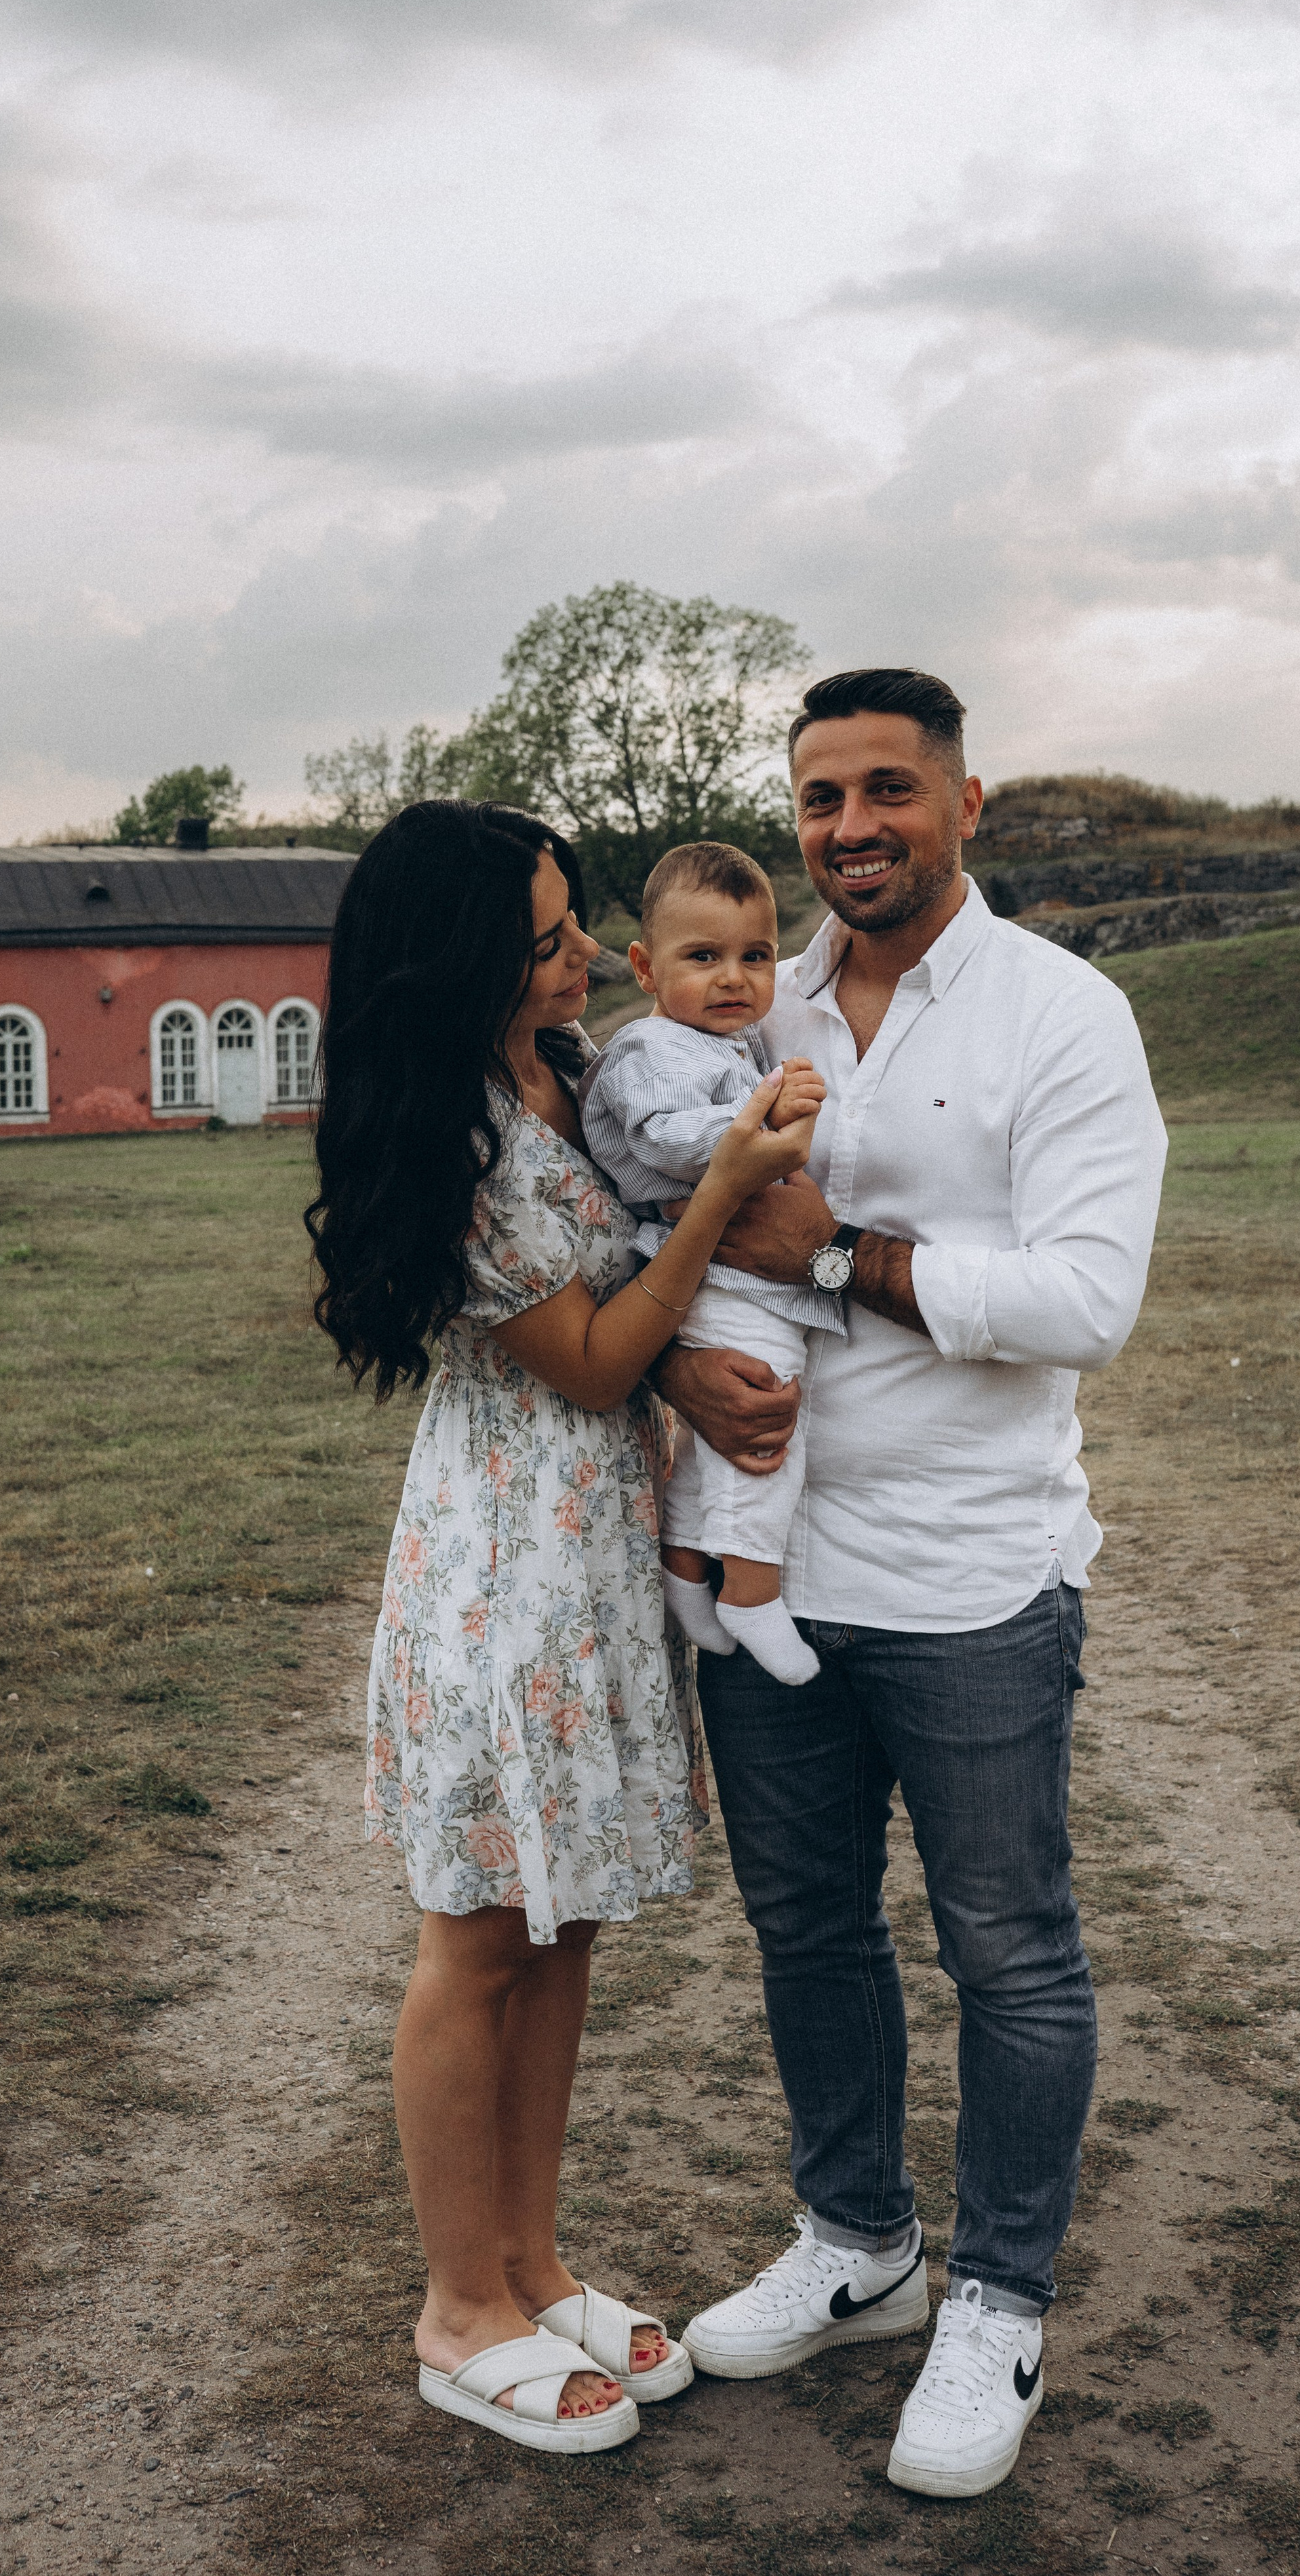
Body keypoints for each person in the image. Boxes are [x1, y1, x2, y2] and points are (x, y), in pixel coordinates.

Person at [663, 670, 1168, 2498]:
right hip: (765, 1559)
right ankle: (860, 2244)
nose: (850, 828)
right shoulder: (743, 994)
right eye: (820, 798)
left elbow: (1087, 1299)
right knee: (807, 1930)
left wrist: (844, 1254)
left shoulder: (1064, 1015)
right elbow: (656, 1224)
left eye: (889, 790)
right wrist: (664, 1361)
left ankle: (1001, 2296)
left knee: (1008, 1946)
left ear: (970, 800)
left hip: (969, 1576)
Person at [304, 801, 820, 2456]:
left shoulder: (562, 1065)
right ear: (453, 967)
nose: (584, 954)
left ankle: (529, 2261)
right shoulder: (455, 1134)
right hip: (501, 1568)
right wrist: (720, 1192)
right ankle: (460, 2304)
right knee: (478, 1934)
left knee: (562, 1922)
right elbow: (591, 1355)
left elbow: (626, 1337)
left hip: (591, 1558)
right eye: (540, 940)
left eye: (573, 922)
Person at [580, 841, 834, 1687]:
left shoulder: (731, 1042)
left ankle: (688, 1568)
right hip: (716, 1264)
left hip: (732, 1263)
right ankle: (753, 1590)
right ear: (647, 969)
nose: (734, 978)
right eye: (704, 957)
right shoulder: (651, 1051)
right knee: (768, 1414)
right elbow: (662, 1137)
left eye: (755, 956)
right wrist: (756, 1126)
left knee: (723, 1429)